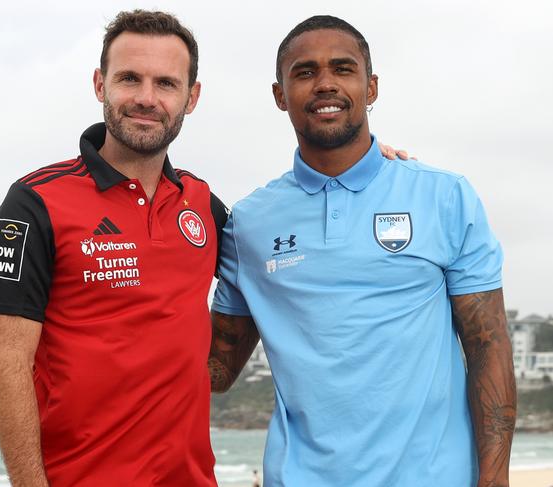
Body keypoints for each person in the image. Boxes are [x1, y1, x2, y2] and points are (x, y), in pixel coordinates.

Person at [209, 15, 516, 487]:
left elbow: (488, 348)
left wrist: (494, 480)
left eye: (343, 69)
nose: (325, 84)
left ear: (371, 87)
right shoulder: (248, 223)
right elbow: (218, 369)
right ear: (279, 95)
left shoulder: (444, 197)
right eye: (305, 72)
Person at [0, 10, 227, 486]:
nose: (146, 99)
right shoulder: (34, 202)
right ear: (99, 83)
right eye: (129, 78)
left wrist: (373, 159)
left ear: (191, 97)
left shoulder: (203, 204)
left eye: (166, 84)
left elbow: (275, 273)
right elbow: (7, 368)